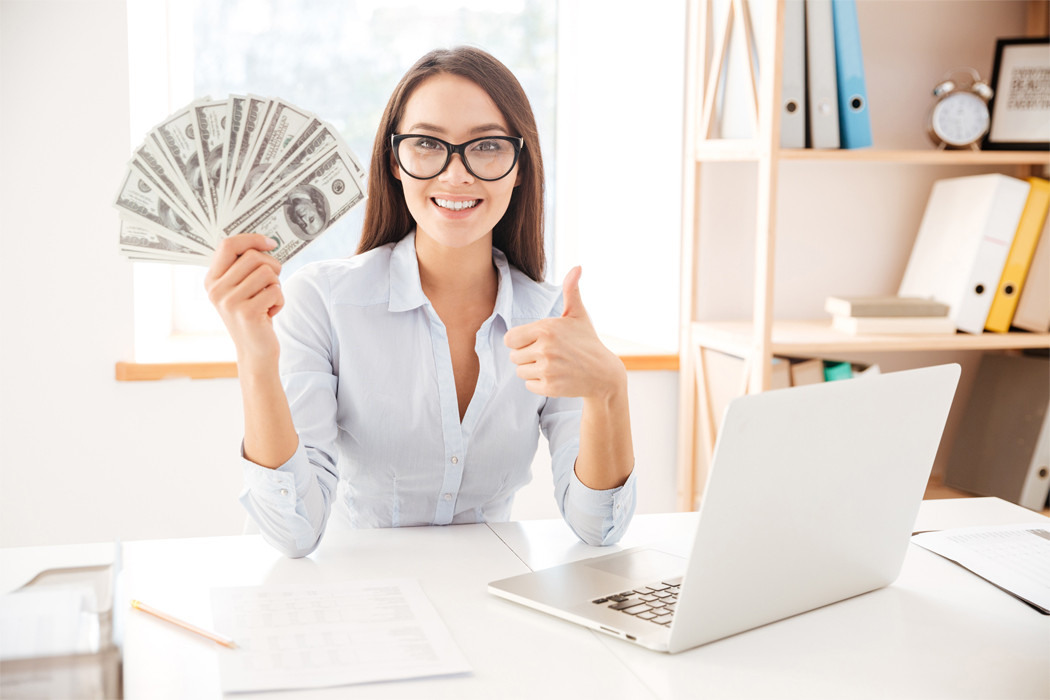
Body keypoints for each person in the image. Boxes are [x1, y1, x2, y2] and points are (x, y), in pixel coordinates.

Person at [204, 46, 636, 558]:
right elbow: (294, 532)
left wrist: (609, 389)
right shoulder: (323, 301)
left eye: (488, 146)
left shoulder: (549, 316)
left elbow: (598, 528)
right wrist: (257, 359)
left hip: (487, 600)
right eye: (428, 143)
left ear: (520, 167)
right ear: (394, 161)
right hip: (359, 603)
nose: (456, 175)